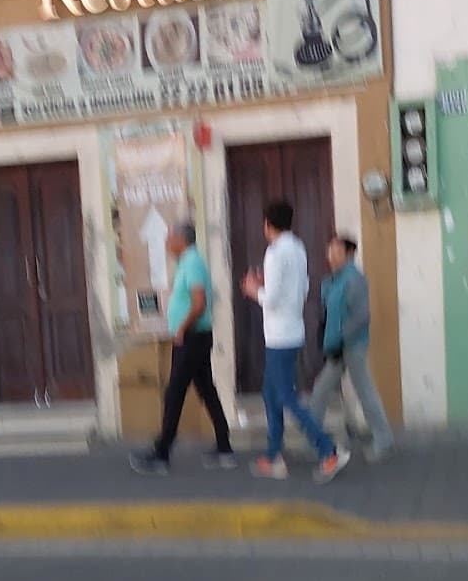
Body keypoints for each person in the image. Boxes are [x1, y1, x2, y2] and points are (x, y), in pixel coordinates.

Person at [241, 200, 351, 485]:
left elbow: (272, 299)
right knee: (270, 394)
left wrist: (254, 290)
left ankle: (328, 450)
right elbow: (301, 288)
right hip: (292, 331)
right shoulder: (298, 248)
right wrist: (266, 285)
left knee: (286, 397)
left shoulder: (275, 252)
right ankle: (274, 455)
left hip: (279, 336)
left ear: (267, 224)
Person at [130, 221, 235, 476]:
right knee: (206, 390)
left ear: (181, 239)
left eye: (170, 237)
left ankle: (162, 453)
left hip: (191, 338)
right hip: (194, 337)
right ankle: (224, 448)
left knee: (174, 392)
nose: (167, 241)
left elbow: (199, 303)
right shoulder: (186, 263)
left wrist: (181, 328)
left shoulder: (193, 264)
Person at [310, 235, 394, 464]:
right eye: (330, 251)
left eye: (337, 251)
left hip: (352, 346)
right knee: (321, 390)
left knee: (364, 390)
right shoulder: (332, 280)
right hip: (336, 346)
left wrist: (340, 337)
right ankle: (313, 437)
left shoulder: (354, 280)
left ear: (348, 254)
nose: (331, 256)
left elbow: (361, 316)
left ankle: (384, 438)